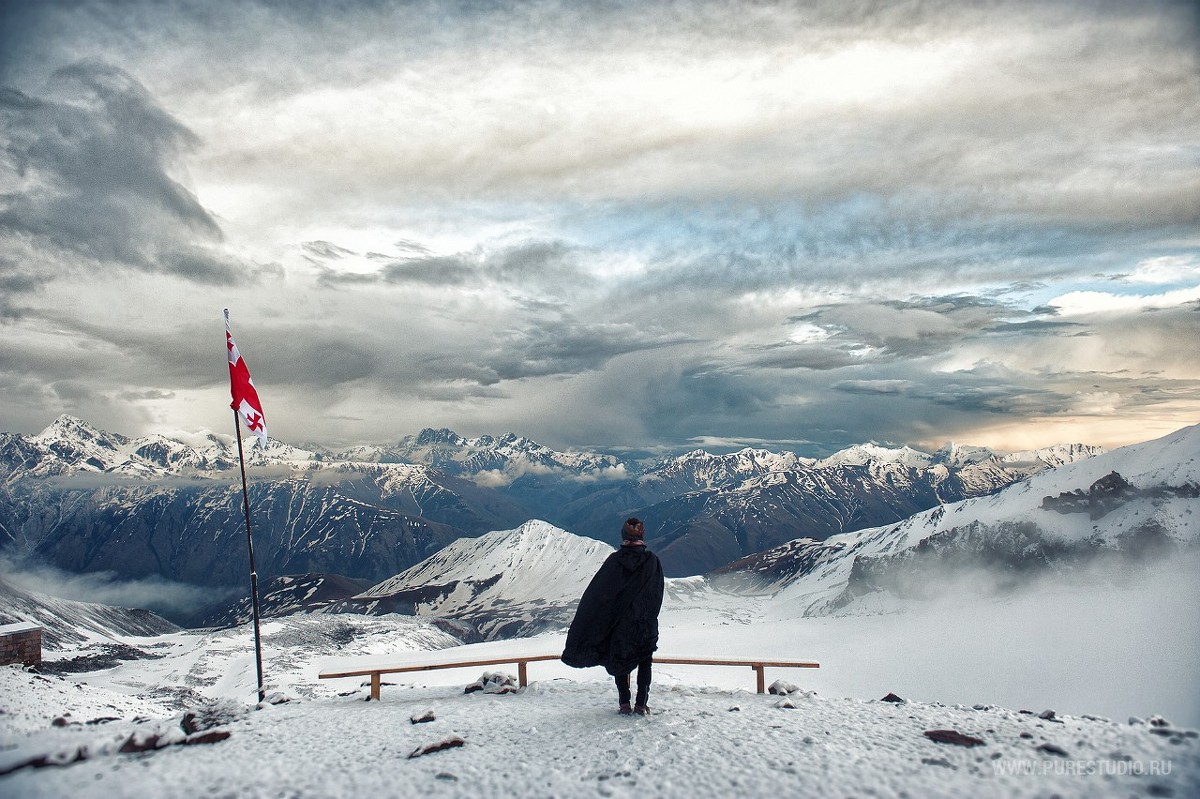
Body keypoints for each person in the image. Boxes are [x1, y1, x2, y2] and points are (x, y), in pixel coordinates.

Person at [561, 517, 665, 715]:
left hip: (620, 624)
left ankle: (624, 703)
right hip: (644, 623)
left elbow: (599, 595)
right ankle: (641, 704)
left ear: (623, 537)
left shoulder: (614, 562)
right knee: (645, 661)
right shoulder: (652, 561)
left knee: (619, 659)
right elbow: (656, 594)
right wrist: (647, 617)